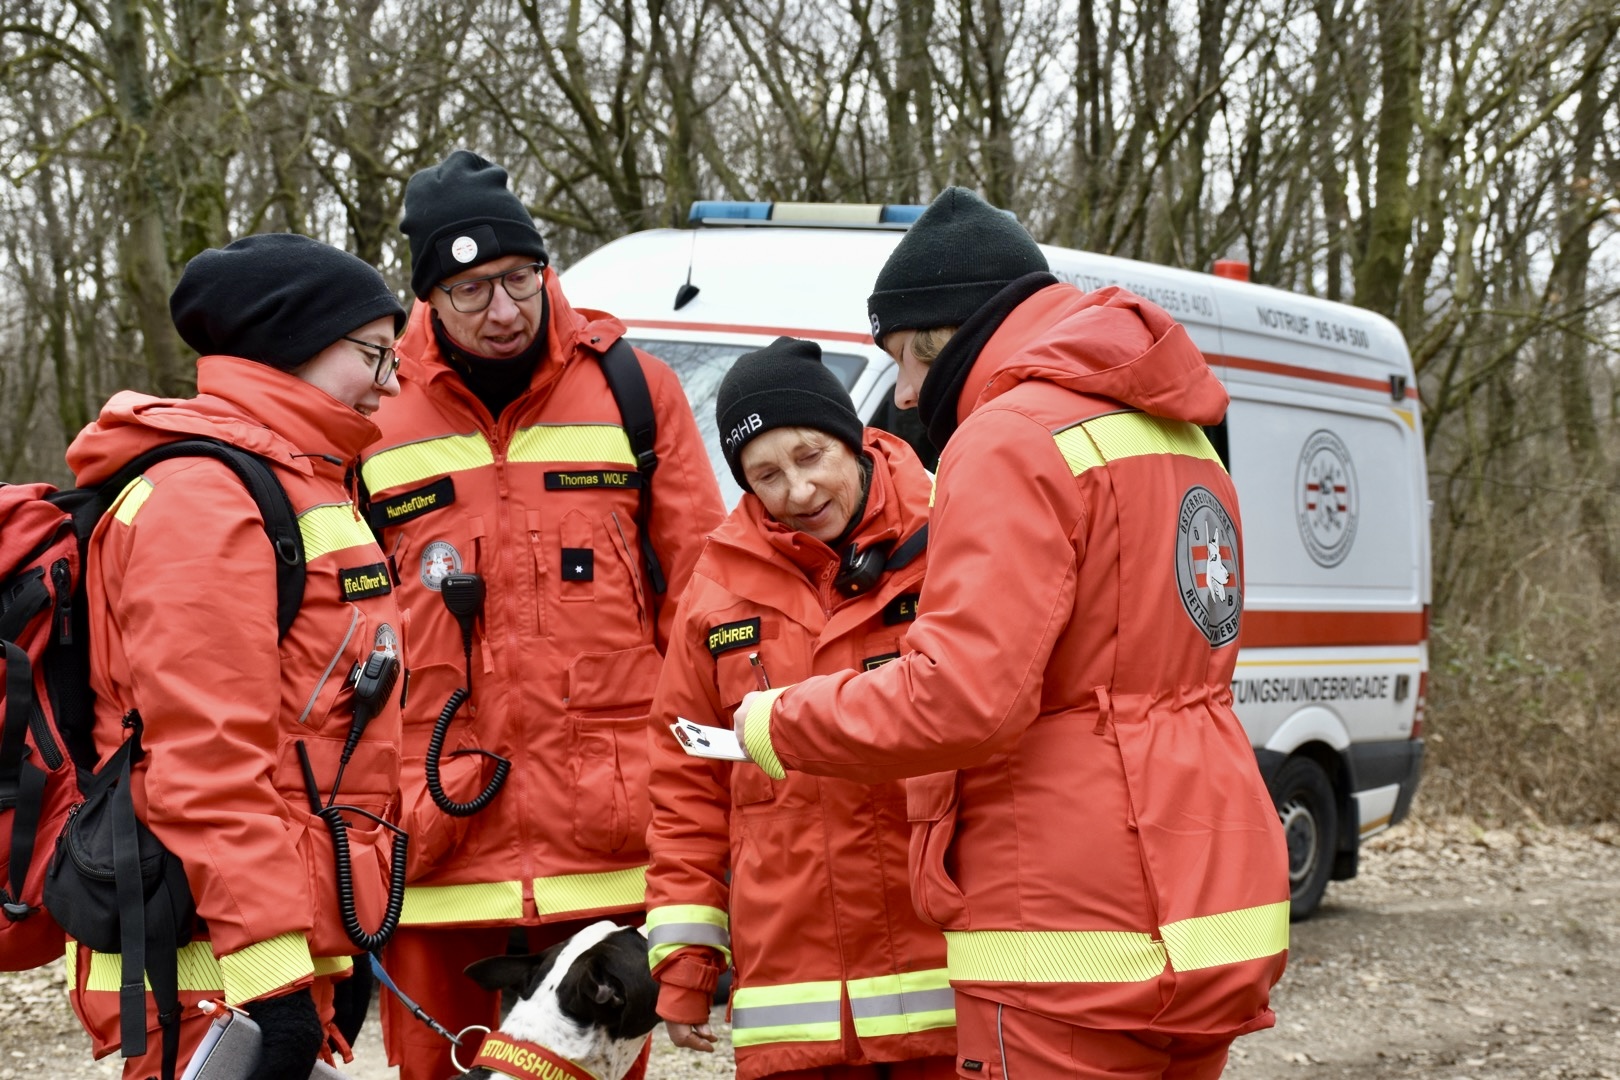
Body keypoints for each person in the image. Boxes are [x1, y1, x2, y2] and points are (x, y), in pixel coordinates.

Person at [733, 188, 1291, 1078]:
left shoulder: (1009, 436)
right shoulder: (1181, 431)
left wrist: (777, 721)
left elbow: (961, 697)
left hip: (1069, 927)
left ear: (950, 335)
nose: (904, 395)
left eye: (906, 359)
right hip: (1214, 902)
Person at [359, 149, 725, 1080]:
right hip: (434, 835)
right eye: (471, 289)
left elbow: (702, 600)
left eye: (521, 277)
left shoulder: (635, 389)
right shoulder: (372, 412)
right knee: (437, 1068)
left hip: (607, 834)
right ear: (428, 298)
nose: (505, 309)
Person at [62, 233, 410, 1079]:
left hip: (262, 951)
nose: (393, 383)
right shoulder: (205, 500)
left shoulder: (300, 479)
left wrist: (335, 948)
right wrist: (274, 977)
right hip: (211, 970)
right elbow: (205, 759)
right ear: (294, 344)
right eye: (374, 353)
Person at [645, 337, 956, 1080]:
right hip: (797, 1003)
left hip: (950, 984)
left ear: (853, 440)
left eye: (811, 455)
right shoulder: (715, 593)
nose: (798, 490)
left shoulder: (953, 535)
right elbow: (685, 789)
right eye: (766, 475)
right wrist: (686, 966)